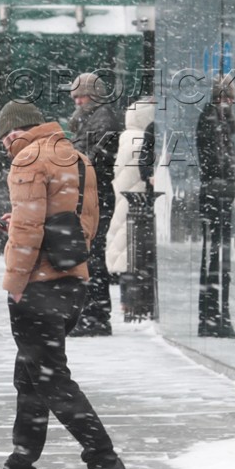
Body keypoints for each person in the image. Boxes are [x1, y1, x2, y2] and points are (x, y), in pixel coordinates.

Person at [0, 99, 131, 469]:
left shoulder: (27, 159)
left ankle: (104, 460)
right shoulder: (78, 157)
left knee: (51, 379)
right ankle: (18, 468)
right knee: (31, 378)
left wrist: (16, 282)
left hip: (38, 286)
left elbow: (27, 230)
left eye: (4, 137)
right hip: (72, 281)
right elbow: (85, 223)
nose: (6, 145)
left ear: (13, 132)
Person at [65, 71, 121, 334]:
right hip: (91, 196)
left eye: (81, 96)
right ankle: (92, 314)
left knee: (93, 257)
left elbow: (92, 160)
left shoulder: (102, 120)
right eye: (74, 96)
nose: (76, 101)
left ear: (94, 96)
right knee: (90, 256)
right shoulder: (91, 119)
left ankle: (95, 316)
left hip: (96, 198)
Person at [195, 77, 235, 337]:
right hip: (217, 196)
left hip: (218, 194)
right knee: (216, 256)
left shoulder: (222, 123)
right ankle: (214, 317)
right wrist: (228, 182)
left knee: (217, 257)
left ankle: (215, 316)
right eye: (223, 98)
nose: (227, 103)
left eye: (229, 99)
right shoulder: (214, 122)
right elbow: (217, 161)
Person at [107, 96, 158, 320]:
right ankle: (136, 305)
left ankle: (128, 303)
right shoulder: (141, 139)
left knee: (127, 253)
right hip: (137, 204)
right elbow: (143, 172)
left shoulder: (126, 137)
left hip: (123, 203)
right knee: (136, 254)